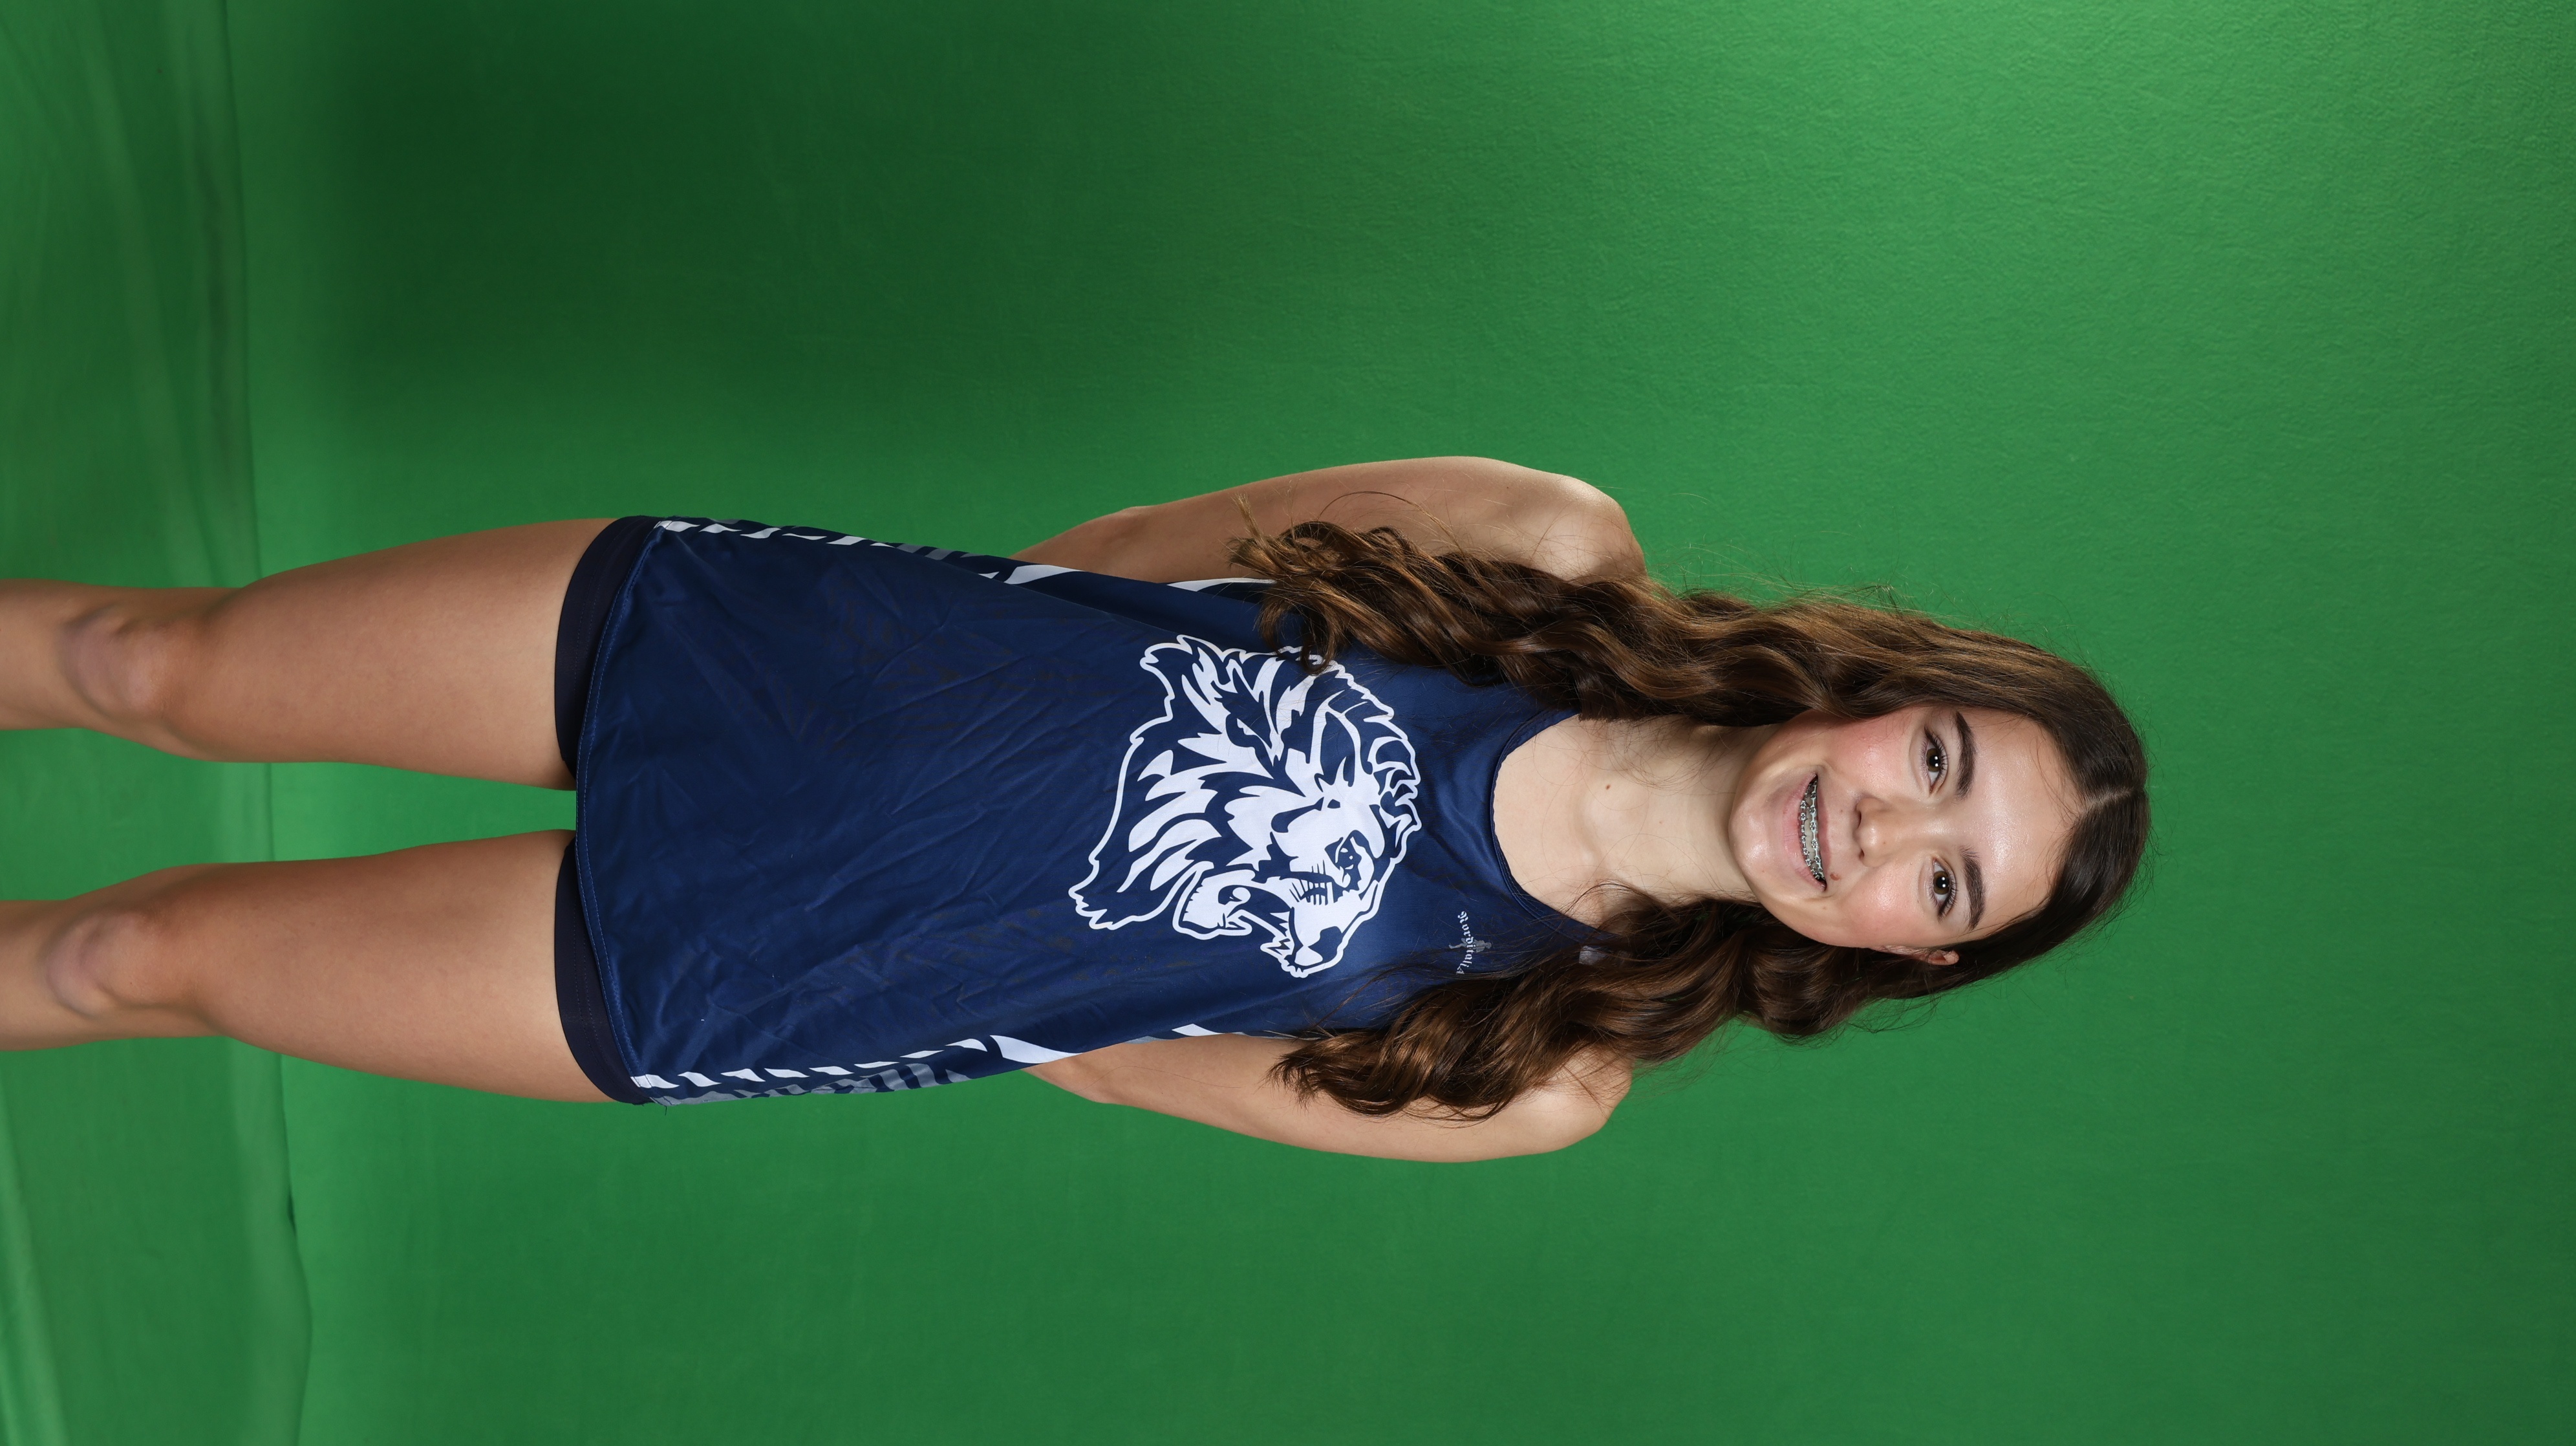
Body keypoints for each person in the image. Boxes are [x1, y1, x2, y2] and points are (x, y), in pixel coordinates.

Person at [0, 459, 2147, 1160]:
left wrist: (939, 907)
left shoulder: (1544, 1065)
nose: (1888, 834)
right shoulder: (1544, 544)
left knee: (134, 954)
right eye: (1937, 765)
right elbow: (1119, 558)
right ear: (1890, 691)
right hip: (762, 657)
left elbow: (1115, 1058)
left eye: (1947, 886)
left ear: (1903, 953)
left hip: (774, 963)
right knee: (148, 666)